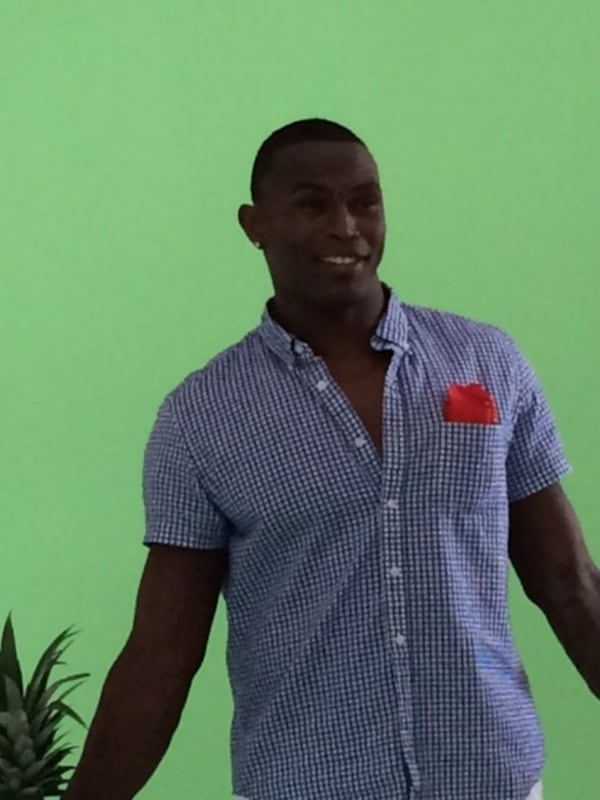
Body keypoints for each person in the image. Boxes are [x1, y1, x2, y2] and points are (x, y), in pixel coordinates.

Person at [63, 119, 599, 800]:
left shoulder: (488, 362)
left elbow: (571, 585)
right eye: (312, 204)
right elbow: (161, 655)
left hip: (491, 777)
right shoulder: (200, 417)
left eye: (365, 202)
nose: (346, 226)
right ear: (254, 224)